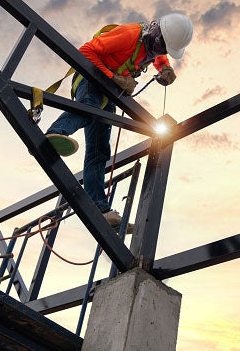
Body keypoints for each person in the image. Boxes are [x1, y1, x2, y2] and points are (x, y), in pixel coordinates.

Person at [45, 13, 193, 227]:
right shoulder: (130, 35)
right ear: (157, 35)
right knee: (90, 107)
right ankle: (55, 133)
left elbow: (158, 58)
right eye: (163, 47)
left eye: (166, 51)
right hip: (90, 80)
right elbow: (86, 52)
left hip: (109, 94)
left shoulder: (155, 48)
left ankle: (100, 210)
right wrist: (115, 78)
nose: (162, 53)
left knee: (99, 152)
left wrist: (165, 68)